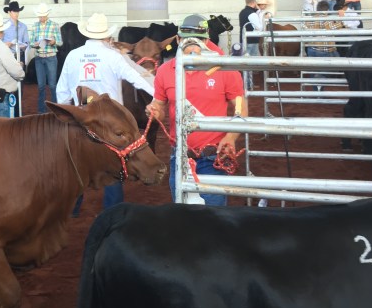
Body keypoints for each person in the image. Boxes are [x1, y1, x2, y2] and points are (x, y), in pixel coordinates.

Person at [56, 12, 155, 211]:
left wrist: (67, 114)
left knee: (77, 163)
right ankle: (113, 210)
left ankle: (73, 208)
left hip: (82, 115)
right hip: (110, 121)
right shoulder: (112, 56)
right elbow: (136, 78)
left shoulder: (73, 55)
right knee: (113, 165)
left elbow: (62, 91)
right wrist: (157, 96)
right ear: (107, 36)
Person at [146, 31, 247, 206]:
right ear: (178, 39)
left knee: (213, 215)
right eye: (187, 39)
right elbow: (160, 105)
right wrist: (154, 111)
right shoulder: (164, 71)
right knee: (182, 211)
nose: (193, 44)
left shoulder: (224, 69)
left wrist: (231, 137)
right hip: (180, 156)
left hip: (212, 156)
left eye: (198, 39)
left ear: (206, 41)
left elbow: (241, 107)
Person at [29, 3, 62, 113]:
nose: (41, 18)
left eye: (43, 15)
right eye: (40, 16)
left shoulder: (54, 25)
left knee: (52, 85)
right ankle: (41, 111)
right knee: (41, 86)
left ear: (47, 15)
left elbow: (60, 42)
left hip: (51, 57)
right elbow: (31, 42)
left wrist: (54, 42)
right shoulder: (35, 26)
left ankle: (55, 109)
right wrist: (35, 44)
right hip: (39, 58)